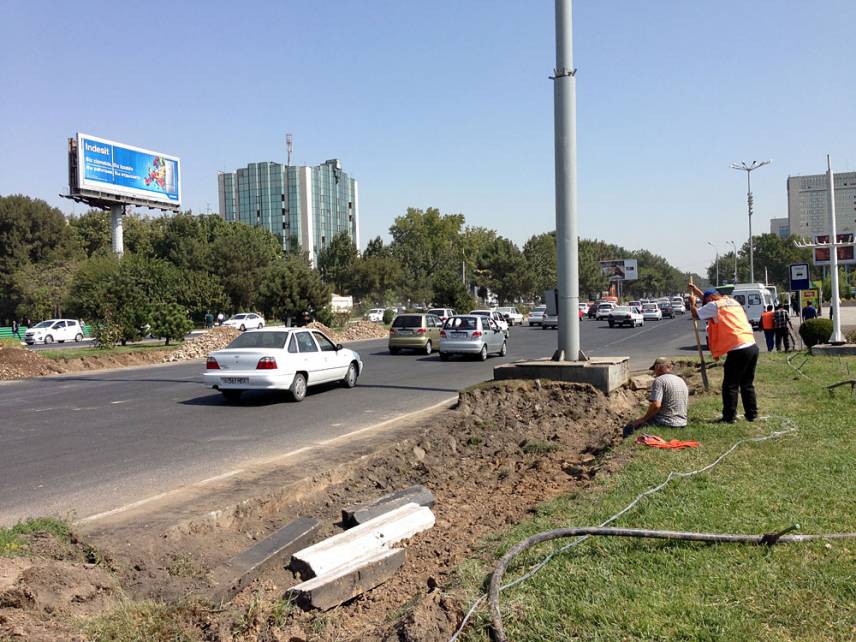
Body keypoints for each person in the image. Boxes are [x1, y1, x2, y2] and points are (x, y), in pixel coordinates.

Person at [689, 283, 758, 424]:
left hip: (738, 348)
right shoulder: (731, 302)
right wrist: (697, 291)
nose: (705, 304)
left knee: (730, 385)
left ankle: (729, 417)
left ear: (710, 300)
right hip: (751, 345)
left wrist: (692, 303)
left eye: (705, 302)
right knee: (747, 383)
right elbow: (710, 300)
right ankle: (752, 414)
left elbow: (696, 314)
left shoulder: (714, 306)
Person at [624, 357, 688, 436]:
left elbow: (656, 405)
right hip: (682, 423)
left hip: (666, 422)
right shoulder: (680, 380)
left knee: (629, 427)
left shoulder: (659, 381)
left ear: (657, 367)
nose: (654, 372)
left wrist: (643, 419)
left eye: (654, 369)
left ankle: (628, 440)